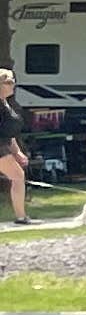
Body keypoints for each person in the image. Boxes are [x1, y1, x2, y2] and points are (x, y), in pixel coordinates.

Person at [0, 65, 30, 226]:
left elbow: (8, 132)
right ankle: (21, 217)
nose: (13, 84)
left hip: (3, 144)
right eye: (9, 82)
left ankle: (21, 216)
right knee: (17, 176)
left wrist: (17, 152)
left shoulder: (5, 103)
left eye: (13, 81)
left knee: (17, 176)